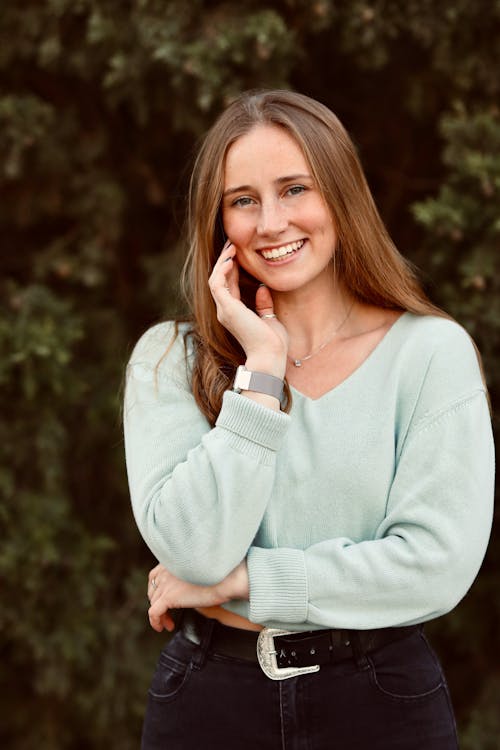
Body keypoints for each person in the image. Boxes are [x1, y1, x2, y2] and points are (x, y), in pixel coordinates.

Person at [123, 90, 494, 749]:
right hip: (209, 705)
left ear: (342, 197)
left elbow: (436, 564)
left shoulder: (430, 354)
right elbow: (194, 548)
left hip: (381, 702)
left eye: (295, 189)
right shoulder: (168, 360)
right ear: (219, 222)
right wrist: (262, 370)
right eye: (243, 200)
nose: (270, 222)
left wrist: (244, 582)